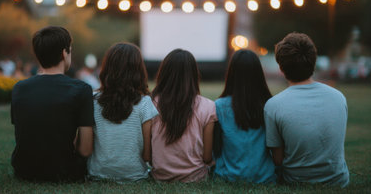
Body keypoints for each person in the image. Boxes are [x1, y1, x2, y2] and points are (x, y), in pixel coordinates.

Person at [264, 32, 349, 187]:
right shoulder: (338, 97)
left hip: (295, 181)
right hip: (338, 180)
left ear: (281, 68)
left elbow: (277, 160)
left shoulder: (273, 105)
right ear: (313, 62)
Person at [11, 26, 94, 182]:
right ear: (64, 53)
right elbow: (85, 149)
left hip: (24, 171)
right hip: (65, 172)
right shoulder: (82, 90)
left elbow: (24, 133)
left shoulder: (19, 88)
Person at [87, 43, 158, 182]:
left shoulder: (92, 101)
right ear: (139, 70)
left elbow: (85, 148)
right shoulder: (145, 103)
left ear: (107, 68)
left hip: (97, 175)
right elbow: (147, 156)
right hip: (135, 176)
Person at [151, 49, 217, 182]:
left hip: (159, 176)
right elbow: (207, 157)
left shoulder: (150, 104)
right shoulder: (208, 106)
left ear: (164, 73)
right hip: (196, 177)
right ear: (193, 74)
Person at [213, 50, 276, 183]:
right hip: (265, 176)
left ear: (231, 73)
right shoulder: (269, 104)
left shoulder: (219, 106)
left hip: (229, 176)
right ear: (259, 74)